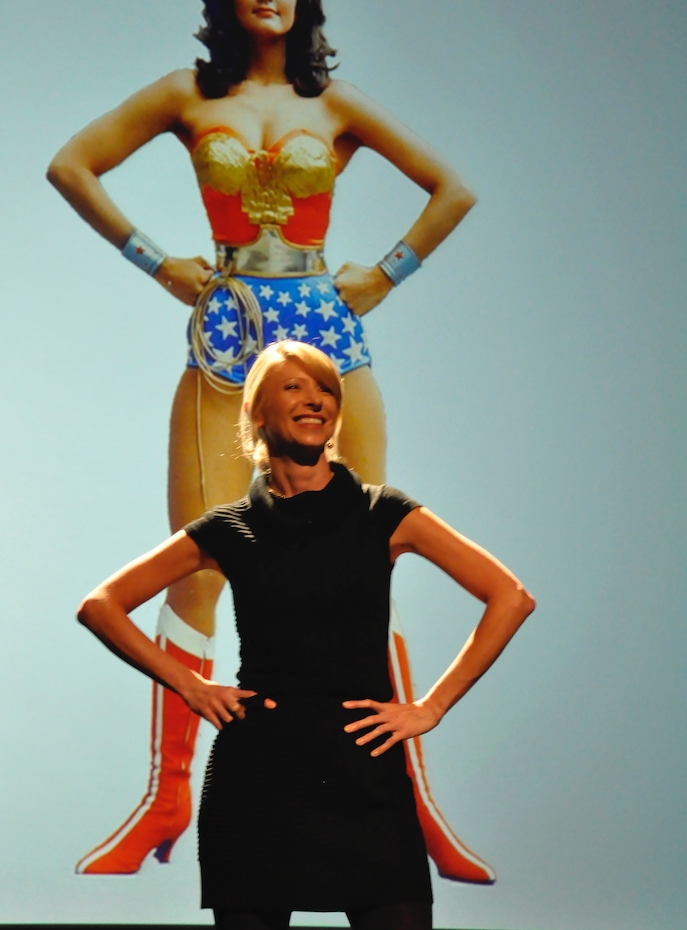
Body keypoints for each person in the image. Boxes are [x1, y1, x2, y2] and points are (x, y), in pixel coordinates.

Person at [48, 0, 485, 879]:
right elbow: (69, 165)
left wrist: (387, 273)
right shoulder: (185, 95)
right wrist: (155, 261)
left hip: (330, 340)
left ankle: (414, 800)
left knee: (368, 559)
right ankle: (164, 796)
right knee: (198, 567)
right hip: (227, 338)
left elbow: (452, 189)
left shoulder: (336, 105)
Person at [76, 342, 535, 930]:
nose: (315, 399)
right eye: (294, 387)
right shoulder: (230, 527)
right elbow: (102, 605)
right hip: (257, 781)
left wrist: (432, 706)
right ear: (256, 412)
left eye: (325, 390)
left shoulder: (383, 513)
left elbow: (510, 597)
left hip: (366, 776)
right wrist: (190, 686)